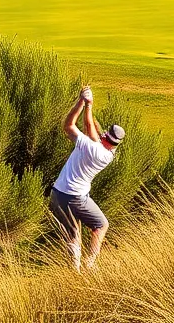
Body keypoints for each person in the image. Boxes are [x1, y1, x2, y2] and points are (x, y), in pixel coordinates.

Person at [51, 85, 125, 270]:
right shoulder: (108, 155)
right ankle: (89, 265)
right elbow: (89, 127)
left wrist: (81, 102)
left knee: (76, 234)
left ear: (105, 136)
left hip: (60, 194)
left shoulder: (90, 147)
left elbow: (68, 126)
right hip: (75, 196)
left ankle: (80, 269)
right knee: (100, 226)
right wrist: (89, 105)